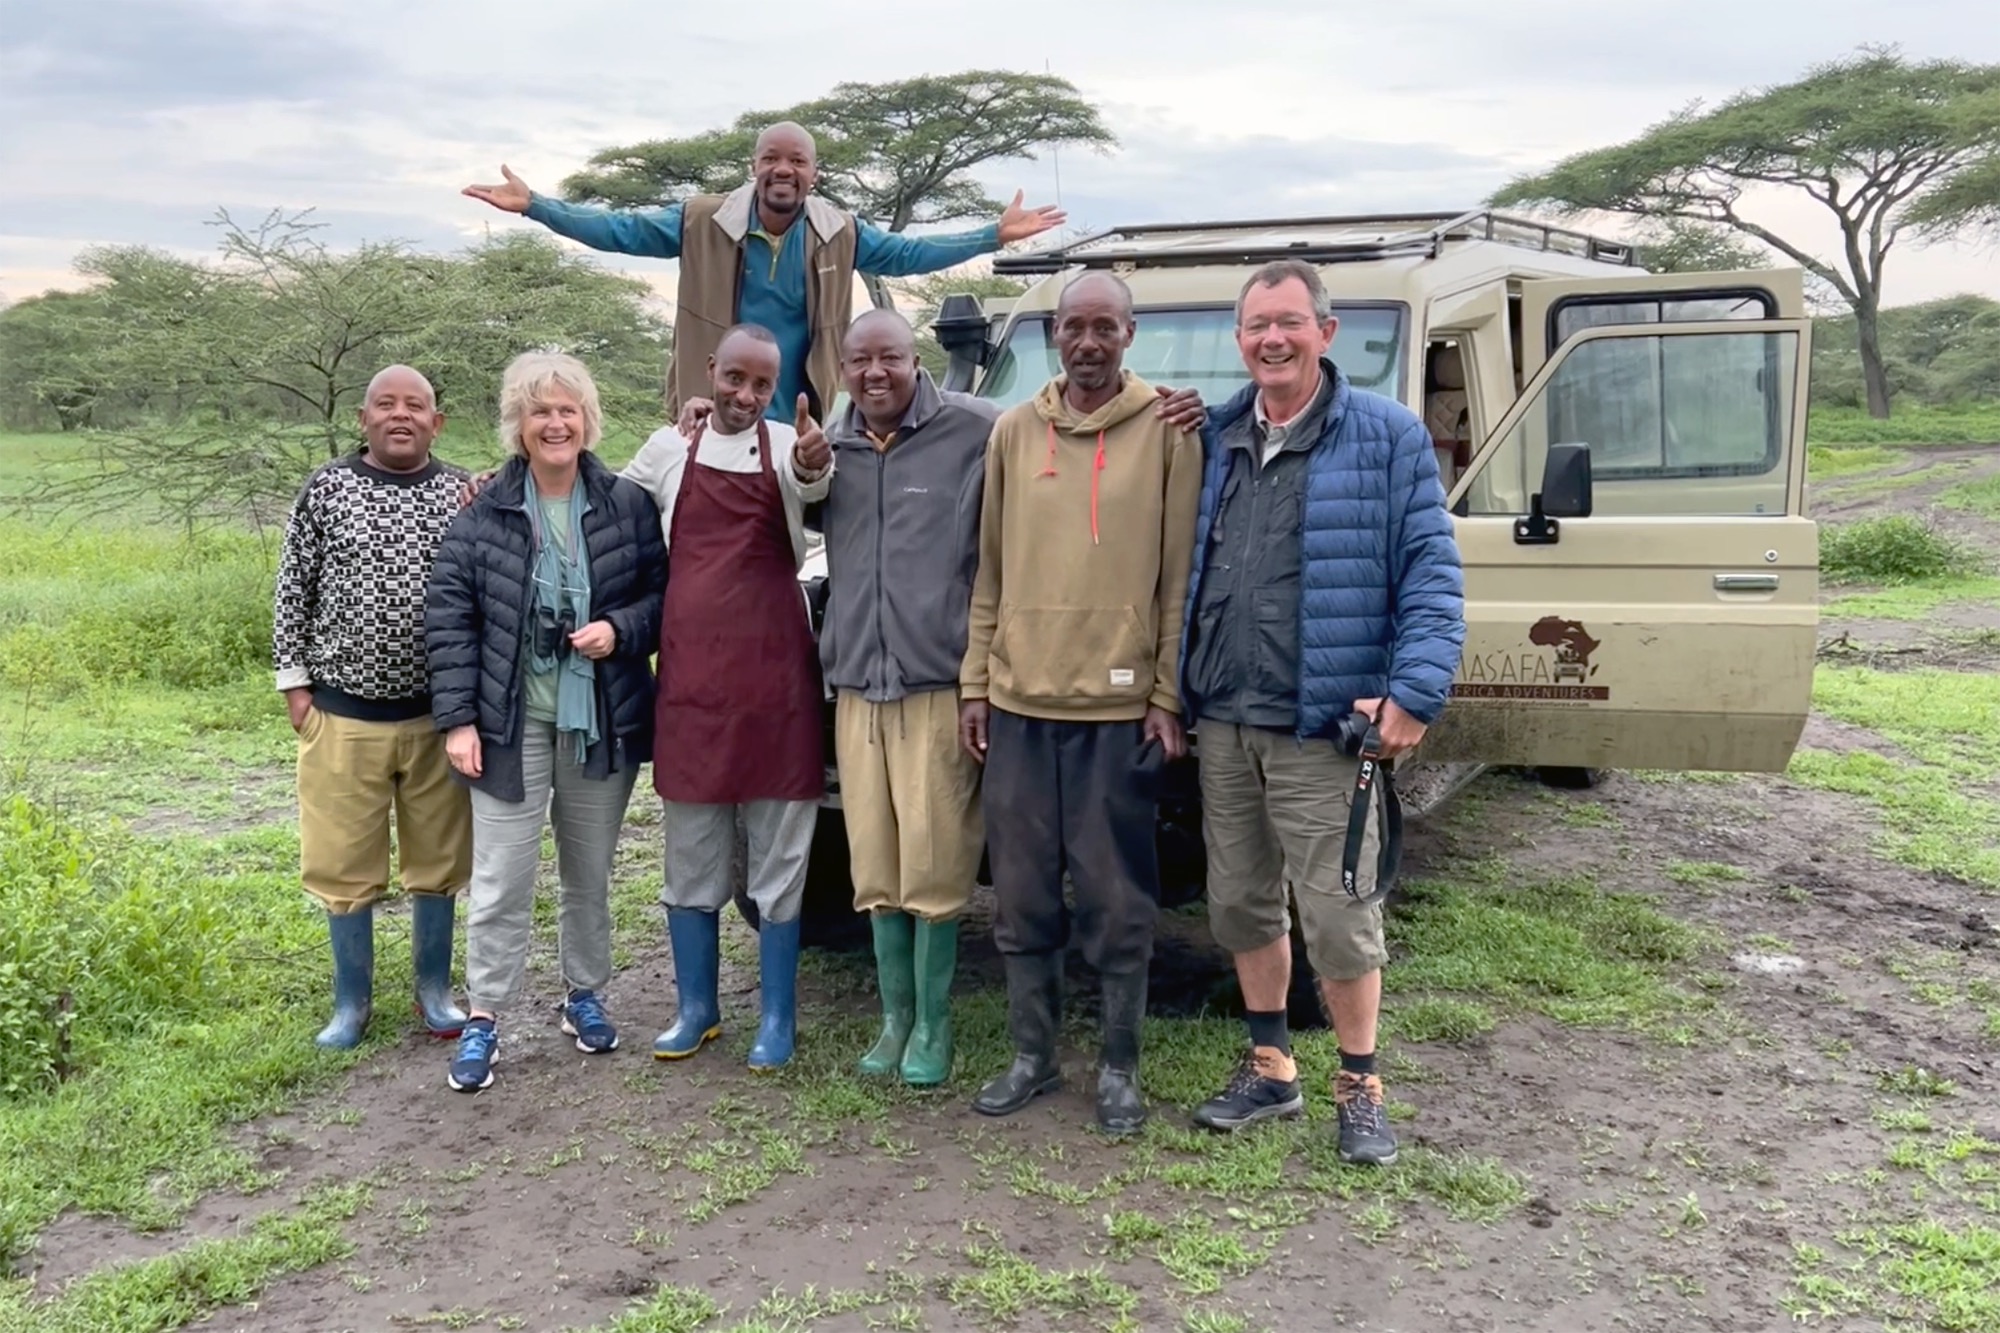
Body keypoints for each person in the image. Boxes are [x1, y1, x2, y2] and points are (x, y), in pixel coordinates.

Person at [1178, 259, 1465, 1165]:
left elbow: (1432, 572)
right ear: (1239, 339)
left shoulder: (1387, 437)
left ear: (1325, 334)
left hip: (1324, 723)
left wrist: (1414, 692)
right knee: (1239, 902)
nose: (1273, 339)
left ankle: (1359, 1083)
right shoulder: (1217, 435)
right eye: (1257, 324)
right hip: (1223, 716)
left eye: (1290, 323)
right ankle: (1272, 1068)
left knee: (1339, 911)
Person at [957, 272, 1202, 1135]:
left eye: (1106, 327)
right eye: (1074, 327)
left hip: (1117, 709)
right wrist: (977, 682)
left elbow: (1178, 582)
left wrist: (1166, 693)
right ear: (1053, 335)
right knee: (1021, 895)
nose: (1089, 342)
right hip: (1021, 704)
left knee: (1116, 898)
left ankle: (1119, 1066)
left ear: (1130, 335)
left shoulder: (1171, 431)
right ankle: (1032, 1055)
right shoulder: (1015, 432)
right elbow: (989, 568)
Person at [462, 121, 1065, 423]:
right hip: (709, 416)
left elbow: (908, 255)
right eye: (771, 159)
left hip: (798, 420)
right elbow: (620, 230)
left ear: (813, 174)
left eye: (796, 161)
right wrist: (539, 206)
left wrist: (991, 234)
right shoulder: (703, 222)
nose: (784, 169)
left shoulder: (838, 231)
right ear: (754, 168)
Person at [424, 351, 667, 1093]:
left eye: (567, 409)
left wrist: (619, 630)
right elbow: (450, 618)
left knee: (588, 872)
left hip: (600, 717)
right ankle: (487, 1015)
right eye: (539, 411)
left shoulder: (628, 503)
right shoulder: (484, 508)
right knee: (501, 876)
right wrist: (458, 720)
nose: (554, 422)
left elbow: (662, 597)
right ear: (518, 425)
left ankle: (584, 994)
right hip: (508, 723)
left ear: (587, 419)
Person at [622, 324, 832, 1072]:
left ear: (776, 388)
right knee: (691, 853)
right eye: (734, 378)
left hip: (777, 684)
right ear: (710, 371)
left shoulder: (789, 446)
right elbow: (603, 511)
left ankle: (777, 1018)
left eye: (761, 384)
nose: (745, 394)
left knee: (780, 856)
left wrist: (814, 461)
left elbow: (818, 489)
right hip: (692, 685)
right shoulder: (666, 449)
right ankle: (696, 1008)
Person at [274, 364, 474, 1050]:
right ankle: (351, 1003)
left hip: (435, 717)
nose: (401, 415)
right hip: (342, 716)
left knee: (439, 860)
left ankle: (434, 991)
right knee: (343, 863)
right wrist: (298, 691)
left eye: (415, 405)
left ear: (435, 422)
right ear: (363, 418)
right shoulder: (328, 488)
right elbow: (291, 588)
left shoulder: (461, 493)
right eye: (385, 404)